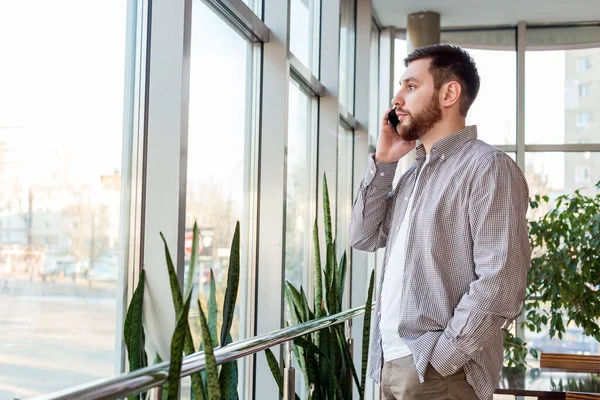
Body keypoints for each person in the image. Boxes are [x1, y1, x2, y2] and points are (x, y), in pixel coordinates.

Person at [349, 44, 531, 400]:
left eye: (411, 86)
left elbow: (501, 280)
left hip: (438, 374)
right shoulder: (412, 176)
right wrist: (385, 161)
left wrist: (445, 357)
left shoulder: (487, 167)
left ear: (449, 93)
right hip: (390, 362)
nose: (397, 99)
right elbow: (363, 236)